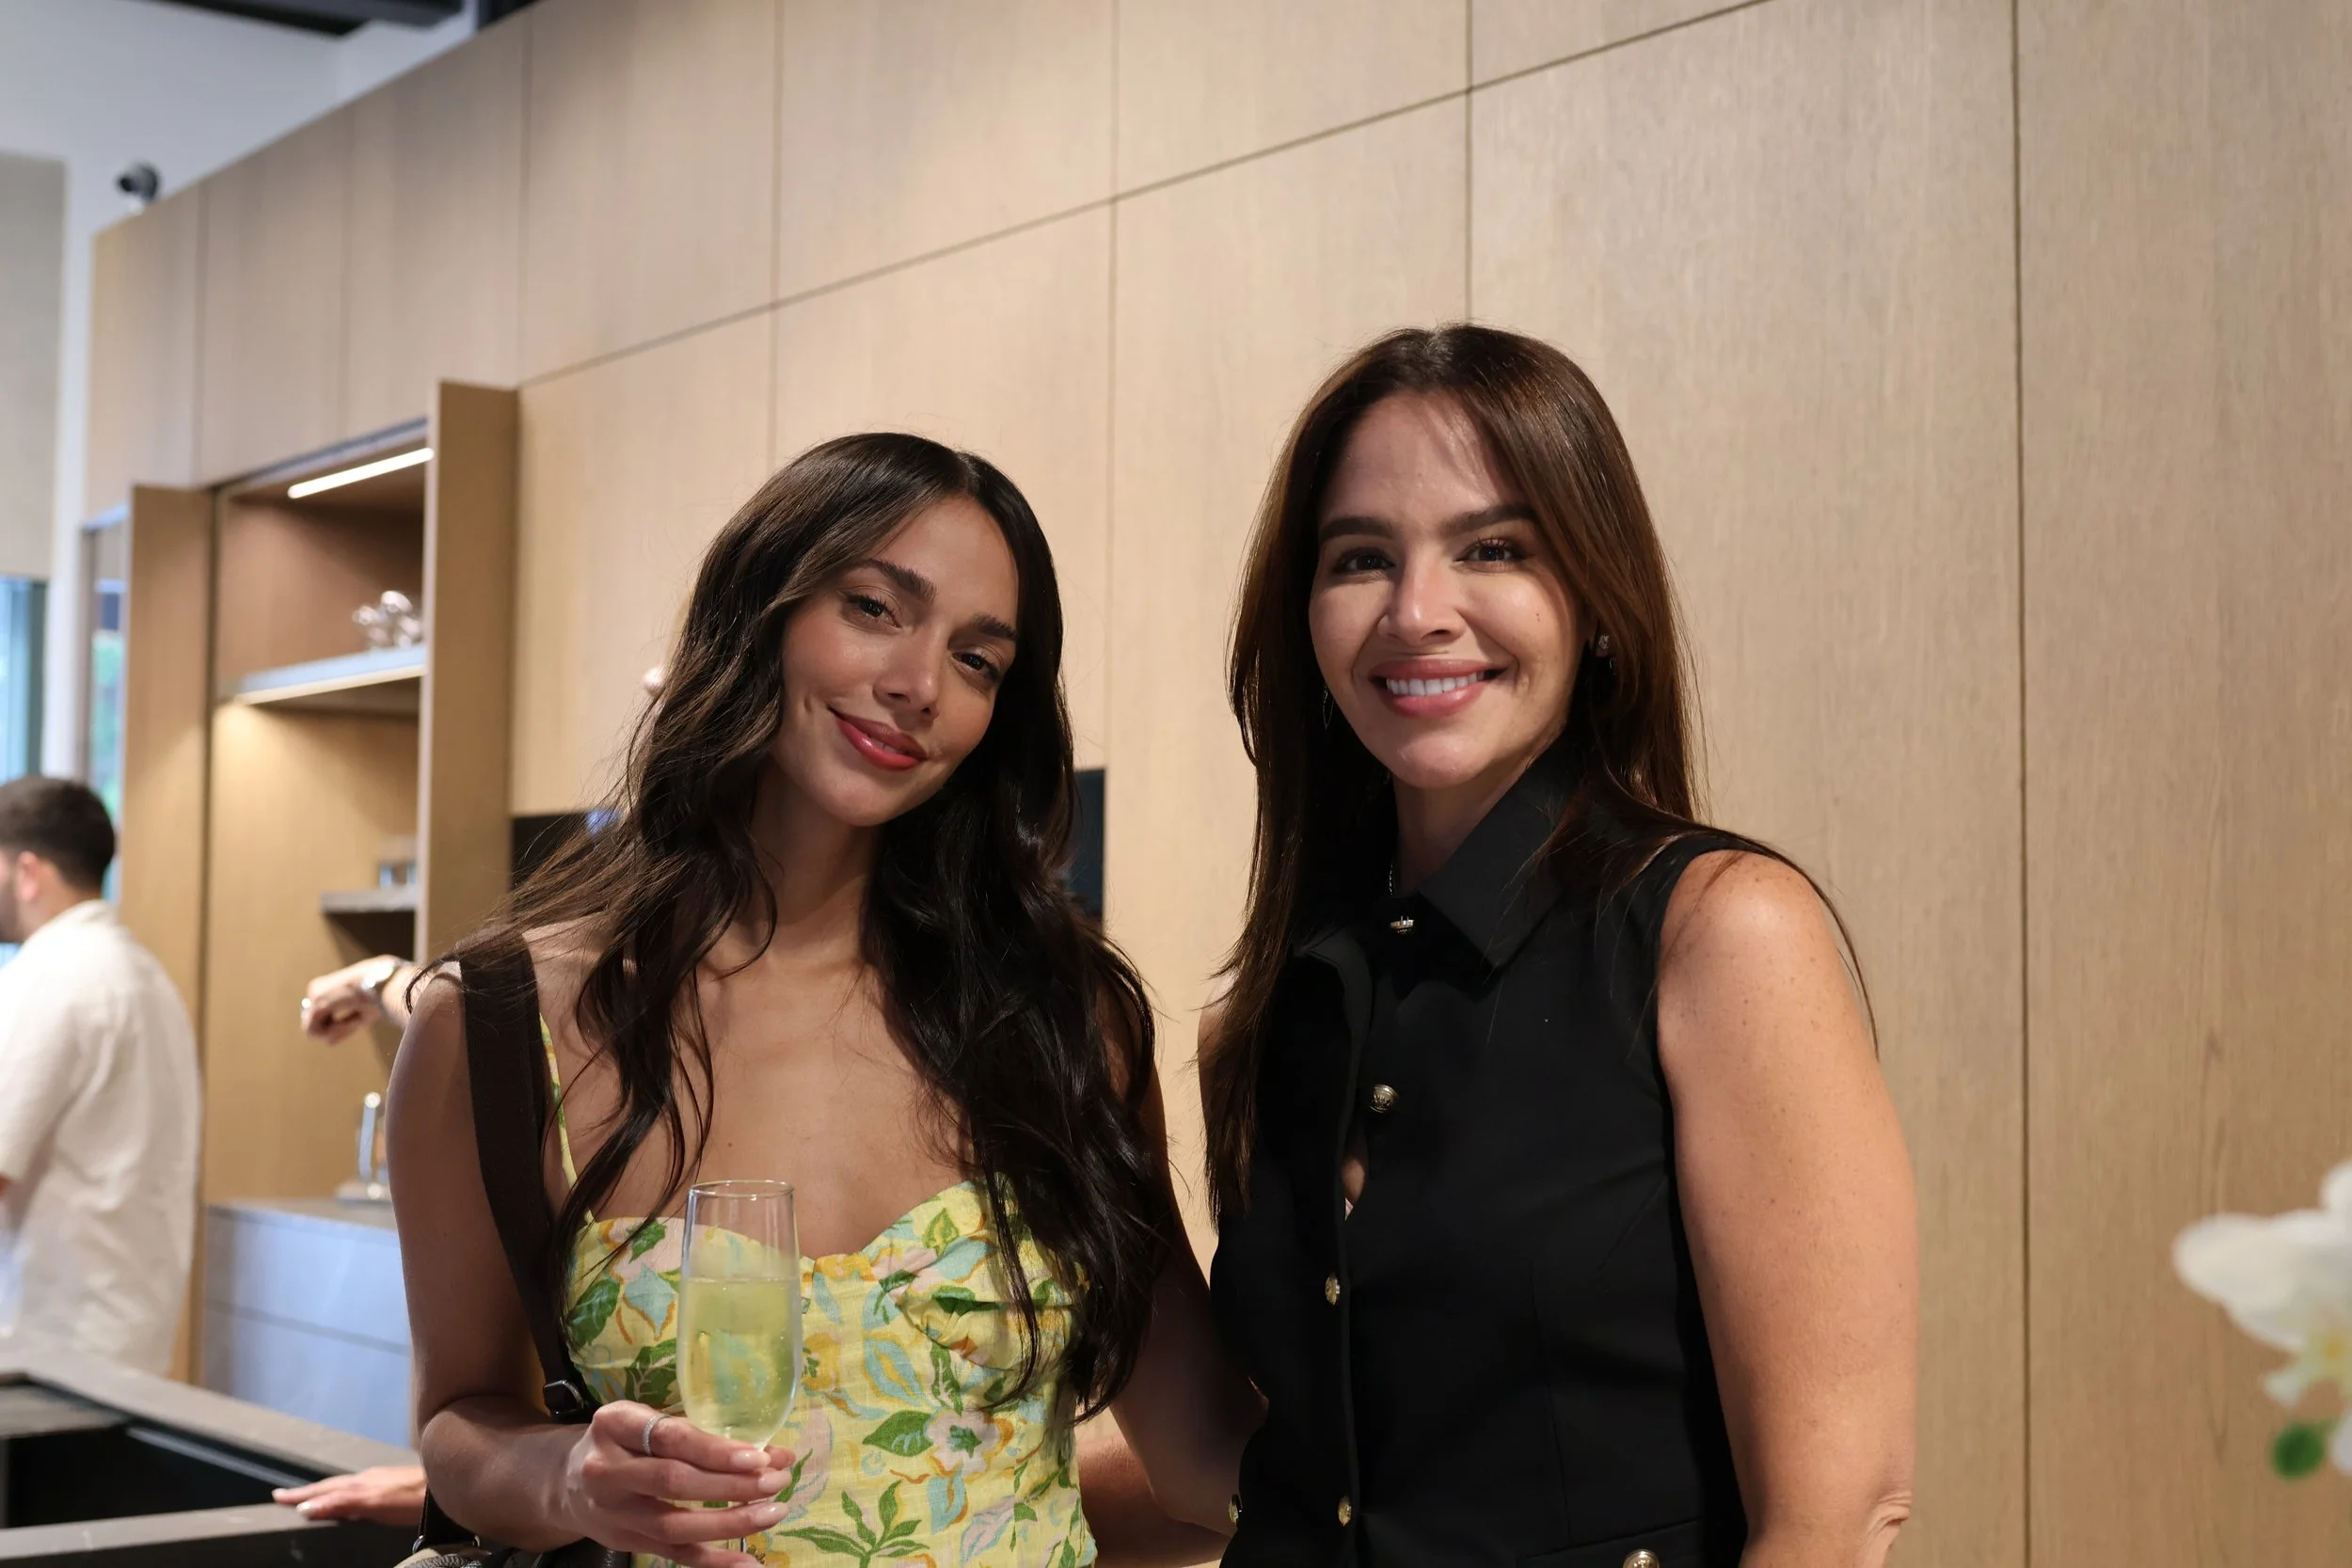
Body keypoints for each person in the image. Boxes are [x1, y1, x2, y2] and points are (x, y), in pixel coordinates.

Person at [389, 434, 1254, 1567]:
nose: (920, 685)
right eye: (874, 607)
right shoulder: (496, 1023)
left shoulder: (1059, 1018)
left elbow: (1204, 1457)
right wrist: (572, 1478)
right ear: (759, 606)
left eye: (979, 660)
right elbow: (459, 1418)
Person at [1199, 325, 1917, 1566]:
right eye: (1362, 557)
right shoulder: (1282, 1007)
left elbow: (1836, 1515)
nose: (1418, 612)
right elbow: (1279, 1458)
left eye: (1494, 549)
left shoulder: (1720, 930)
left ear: (1594, 604)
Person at [0, 776, 200, 1375]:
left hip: (49, 1344)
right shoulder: (140, 974)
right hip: (125, 1332)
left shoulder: (49, 979)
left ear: (28, 871)